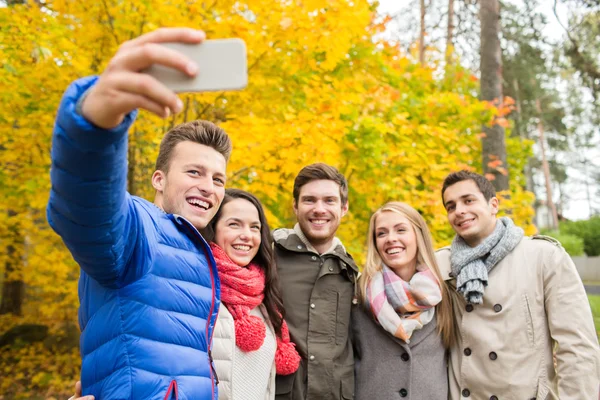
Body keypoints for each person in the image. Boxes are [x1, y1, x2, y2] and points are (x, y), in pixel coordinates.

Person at [48, 28, 232, 399]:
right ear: (159, 180)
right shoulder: (140, 229)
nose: (208, 187)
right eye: (193, 172)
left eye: (218, 179)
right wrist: (94, 128)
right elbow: (88, 208)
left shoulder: (198, 251)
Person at [436, 170, 600, 399]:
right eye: (451, 206)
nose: (459, 211)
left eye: (468, 200)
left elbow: (577, 347)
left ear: (493, 204)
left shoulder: (543, 256)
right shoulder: (440, 264)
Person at [352, 202, 456, 400]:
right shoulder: (358, 295)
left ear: (418, 236)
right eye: (381, 233)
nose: (391, 239)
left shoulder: (444, 294)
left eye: (401, 230)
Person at [272, 163, 358, 400]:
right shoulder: (269, 256)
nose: (319, 209)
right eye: (310, 200)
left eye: (329, 201)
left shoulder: (352, 272)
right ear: (295, 206)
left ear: (344, 208)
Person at [204, 188, 301, 399]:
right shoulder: (200, 288)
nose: (246, 235)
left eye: (254, 227)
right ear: (214, 229)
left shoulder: (264, 299)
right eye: (234, 224)